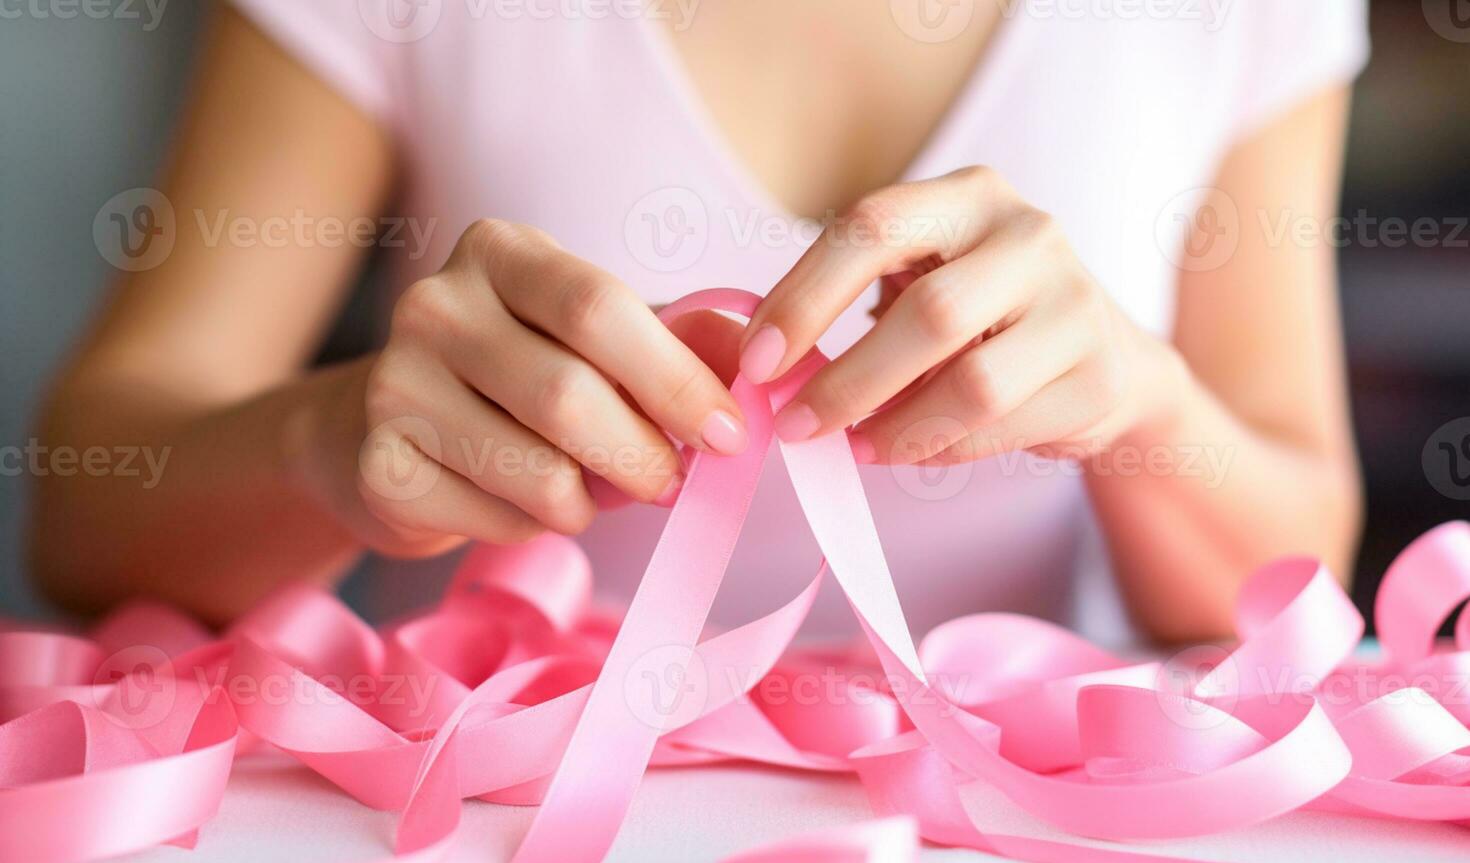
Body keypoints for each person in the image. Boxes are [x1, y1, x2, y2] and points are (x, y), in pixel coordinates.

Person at [29, 0, 1369, 646]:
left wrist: (1141, 405)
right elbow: (84, 521)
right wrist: (329, 442)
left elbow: (1291, 569)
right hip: (483, 859)